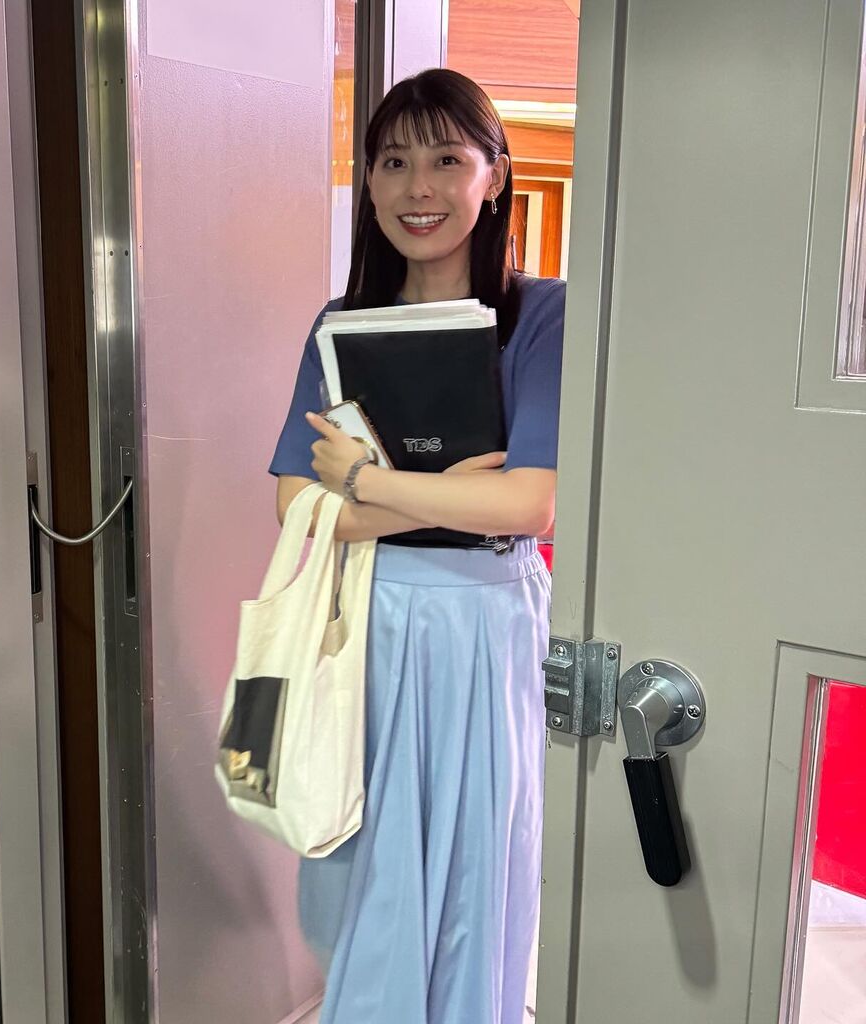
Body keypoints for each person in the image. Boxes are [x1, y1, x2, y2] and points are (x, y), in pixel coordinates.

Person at [269, 67, 565, 1024]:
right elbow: (295, 505)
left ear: (494, 175)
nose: (418, 188)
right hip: (364, 618)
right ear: (368, 183)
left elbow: (532, 504)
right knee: (360, 875)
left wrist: (365, 482)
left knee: (479, 868)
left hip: (486, 624)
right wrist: (448, 496)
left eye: (447, 160)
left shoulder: (543, 314)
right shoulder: (341, 324)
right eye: (393, 163)